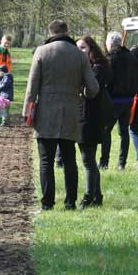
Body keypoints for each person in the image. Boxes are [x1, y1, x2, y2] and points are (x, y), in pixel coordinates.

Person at [23, 20, 99, 210]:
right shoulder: (79, 55)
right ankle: (70, 202)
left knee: (46, 161)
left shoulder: (41, 51)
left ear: (50, 32)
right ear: (67, 32)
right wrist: (82, 93)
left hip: (46, 111)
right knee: (69, 159)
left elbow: (32, 87)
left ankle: (47, 203)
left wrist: (27, 112)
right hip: (71, 111)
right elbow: (93, 88)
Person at [76, 36, 112, 208]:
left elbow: (92, 91)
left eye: (82, 48)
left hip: (91, 117)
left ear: (91, 49)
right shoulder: (89, 67)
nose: (80, 51)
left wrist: (78, 88)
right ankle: (97, 195)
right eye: (78, 48)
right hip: (85, 115)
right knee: (88, 158)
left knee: (88, 159)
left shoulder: (97, 68)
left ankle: (88, 196)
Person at [101, 31, 138, 170]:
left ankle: (104, 162)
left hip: (113, 99)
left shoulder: (110, 58)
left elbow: (107, 79)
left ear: (109, 43)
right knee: (124, 131)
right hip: (128, 99)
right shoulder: (132, 57)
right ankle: (121, 163)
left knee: (106, 130)